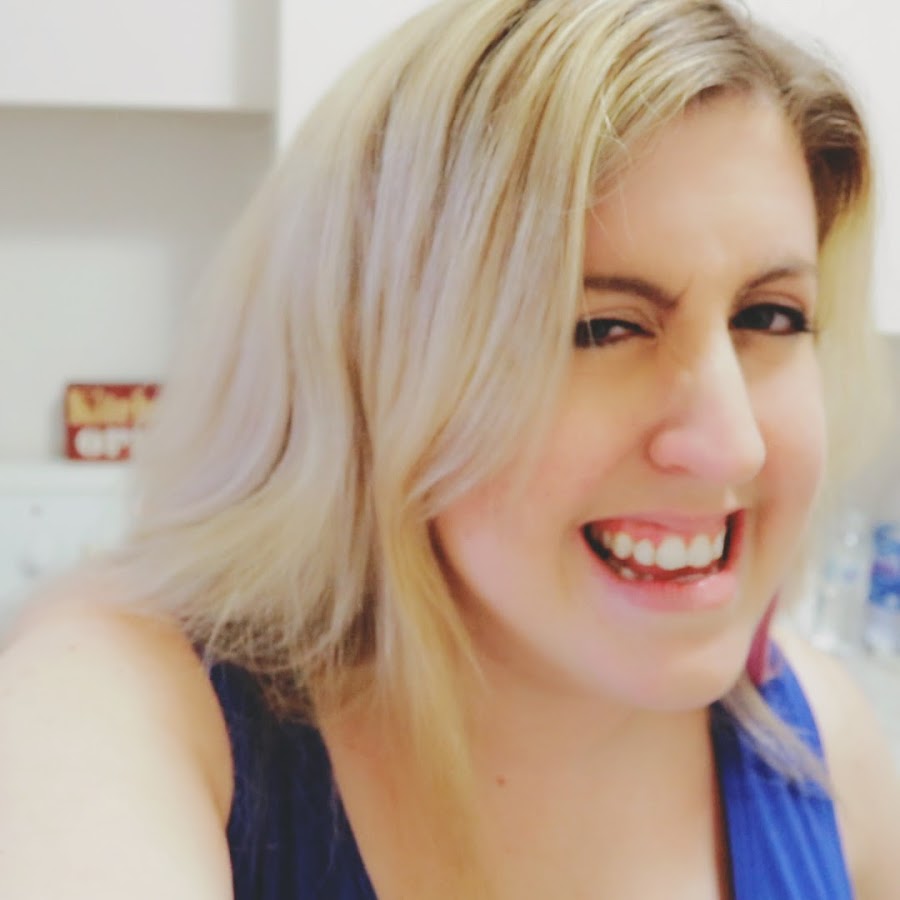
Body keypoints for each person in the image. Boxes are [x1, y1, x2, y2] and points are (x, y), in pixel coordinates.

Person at [1, 0, 898, 897]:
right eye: (600, 328)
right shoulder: (122, 706)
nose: (732, 445)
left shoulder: (827, 749)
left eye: (769, 316)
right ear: (369, 367)